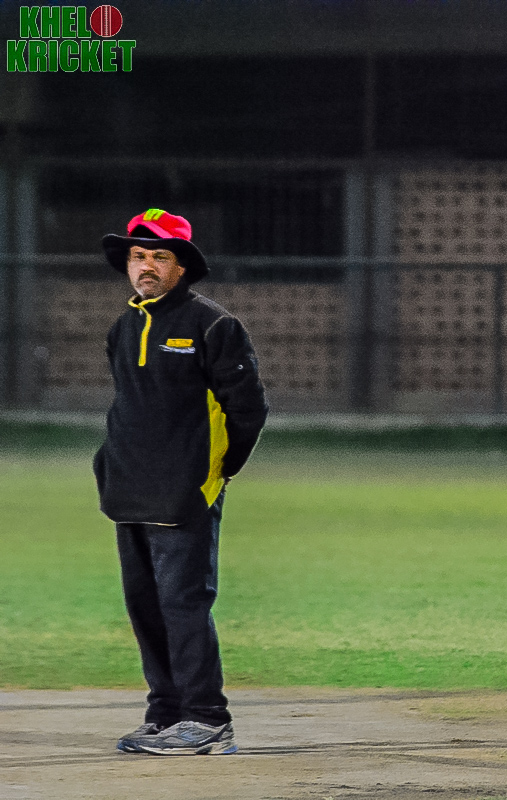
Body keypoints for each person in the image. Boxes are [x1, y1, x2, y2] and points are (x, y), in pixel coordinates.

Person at [94, 208, 268, 755]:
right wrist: (108, 465)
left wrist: (214, 471)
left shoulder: (213, 325)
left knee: (184, 605)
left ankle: (206, 719)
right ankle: (166, 713)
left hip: (184, 492)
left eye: (159, 256)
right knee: (145, 606)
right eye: (138, 256)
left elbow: (248, 409)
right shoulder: (123, 327)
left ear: (182, 266)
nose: (145, 266)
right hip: (128, 490)